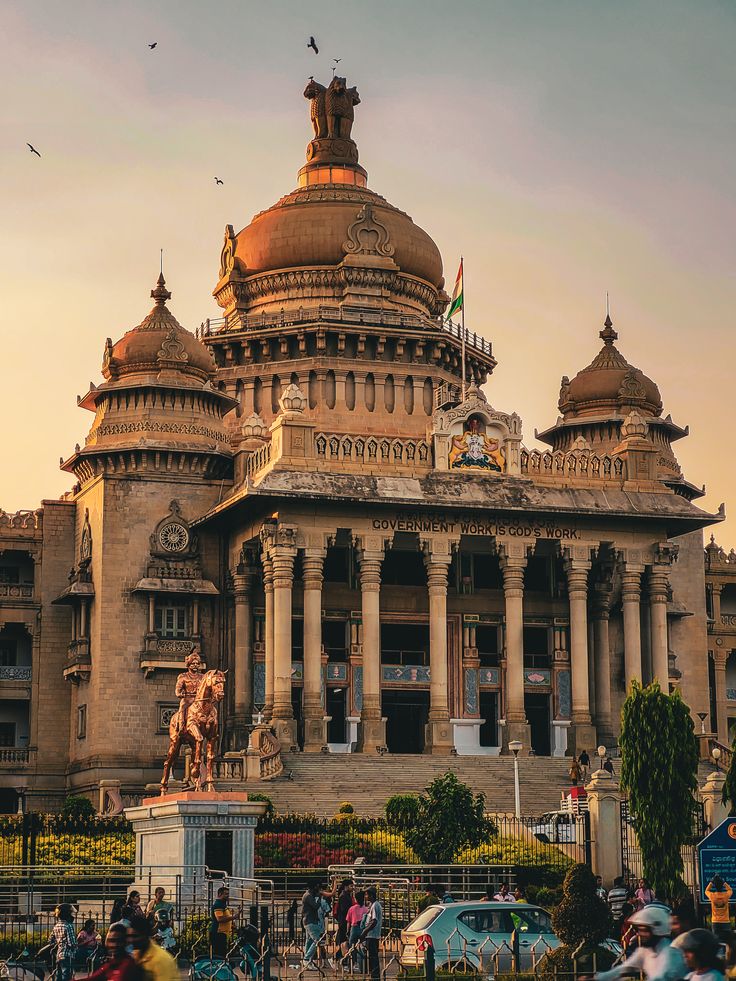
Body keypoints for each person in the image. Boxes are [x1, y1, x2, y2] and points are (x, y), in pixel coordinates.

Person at [593, 905, 686, 981]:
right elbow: (624, 968)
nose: (640, 934)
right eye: (638, 930)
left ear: (658, 929)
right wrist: (597, 978)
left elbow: (660, 977)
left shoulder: (670, 954)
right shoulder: (645, 951)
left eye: (644, 930)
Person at [128, 914, 178, 981]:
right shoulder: (136, 954)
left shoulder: (161, 959)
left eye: (135, 936)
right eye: (129, 936)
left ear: (144, 935)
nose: (131, 940)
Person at [359, 886, 383, 981]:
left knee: (373, 957)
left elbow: (374, 921)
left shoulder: (375, 905)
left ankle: (375, 976)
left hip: (372, 935)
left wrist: (364, 932)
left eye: (367, 894)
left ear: (371, 895)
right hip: (370, 935)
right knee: (371, 956)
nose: (365, 896)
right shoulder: (372, 905)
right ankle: (373, 975)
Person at [299, 880, 323, 970]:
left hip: (309, 920)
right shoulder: (308, 896)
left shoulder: (309, 895)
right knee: (316, 940)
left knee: (309, 941)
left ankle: (308, 960)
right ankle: (306, 959)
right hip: (310, 921)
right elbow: (316, 906)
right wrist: (320, 898)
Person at [210, 885, 237, 959]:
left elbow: (225, 917)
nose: (227, 896)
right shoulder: (218, 905)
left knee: (222, 954)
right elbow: (220, 919)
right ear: (219, 894)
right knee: (220, 955)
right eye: (225, 894)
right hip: (218, 933)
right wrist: (233, 917)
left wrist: (231, 925)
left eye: (228, 894)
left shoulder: (222, 904)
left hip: (222, 933)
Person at [52, 904, 77, 981]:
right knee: (66, 976)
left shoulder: (56, 926)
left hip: (59, 955)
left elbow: (51, 940)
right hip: (67, 955)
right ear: (67, 914)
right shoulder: (68, 926)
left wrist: (60, 942)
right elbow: (71, 943)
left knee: (58, 975)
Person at [346, 890, 369, 972]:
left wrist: (347, 931)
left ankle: (352, 964)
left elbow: (348, 922)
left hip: (354, 928)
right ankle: (363, 964)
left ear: (356, 899)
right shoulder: (366, 909)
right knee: (363, 947)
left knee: (351, 947)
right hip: (363, 929)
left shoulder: (352, 909)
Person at [335, 879, 355, 966]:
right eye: (351, 886)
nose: (352, 888)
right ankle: (340, 959)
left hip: (346, 920)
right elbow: (344, 910)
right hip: (344, 921)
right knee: (344, 942)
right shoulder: (343, 896)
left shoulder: (347, 895)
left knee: (345, 942)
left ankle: (340, 959)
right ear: (346, 886)